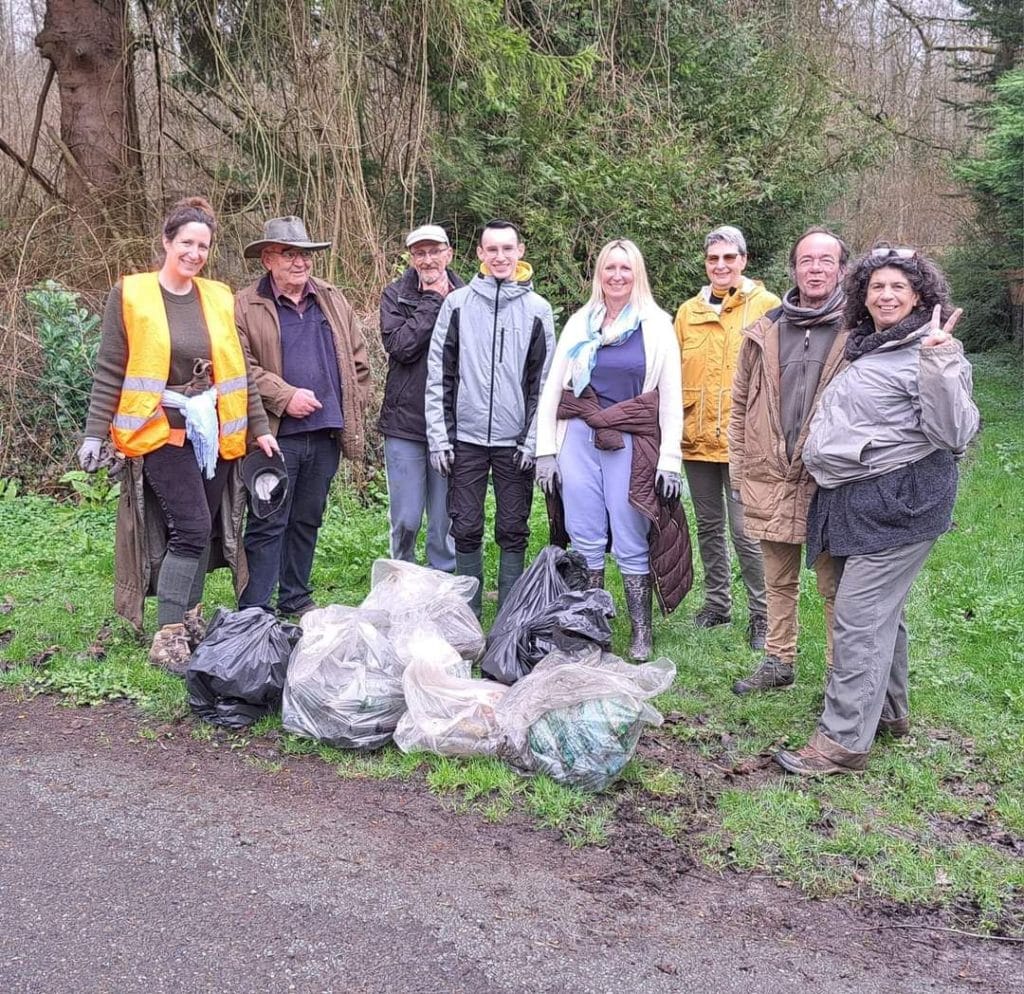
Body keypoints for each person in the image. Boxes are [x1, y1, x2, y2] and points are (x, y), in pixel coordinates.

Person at [776, 246, 979, 776]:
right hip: (859, 501)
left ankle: (842, 742)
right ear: (862, 298)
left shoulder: (931, 350)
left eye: (898, 288)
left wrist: (940, 359)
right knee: (879, 612)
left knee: (859, 619)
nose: (886, 296)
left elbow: (954, 432)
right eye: (876, 288)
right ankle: (886, 711)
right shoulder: (871, 347)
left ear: (919, 297)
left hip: (900, 502)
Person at [78, 196, 279, 671]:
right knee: (189, 528)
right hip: (160, 430)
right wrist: (93, 434)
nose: (194, 253)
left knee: (203, 531)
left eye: (203, 245)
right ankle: (168, 638)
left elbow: (241, 372)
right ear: (167, 242)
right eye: (186, 242)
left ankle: (189, 624)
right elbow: (111, 369)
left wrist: (260, 428)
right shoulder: (131, 295)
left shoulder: (218, 297)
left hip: (213, 433)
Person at [535, 239, 691, 661]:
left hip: (629, 439)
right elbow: (554, 387)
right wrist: (545, 450)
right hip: (578, 437)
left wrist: (670, 460)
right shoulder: (580, 322)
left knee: (629, 530)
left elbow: (670, 396)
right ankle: (592, 627)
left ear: (636, 273)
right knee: (584, 531)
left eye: (625, 268)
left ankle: (642, 632)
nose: (617, 276)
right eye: (609, 268)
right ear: (599, 274)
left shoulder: (656, 324)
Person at [728, 227, 849, 694]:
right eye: (806, 260)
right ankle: (779, 661)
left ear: (841, 269)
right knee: (778, 580)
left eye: (825, 260)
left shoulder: (855, 331)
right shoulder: (765, 330)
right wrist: (740, 469)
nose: (815, 269)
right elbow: (739, 406)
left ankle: (843, 677)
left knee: (834, 588)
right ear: (793, 268)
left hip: (827, 480)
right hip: (769, 475)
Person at [235, 215, 372, 618]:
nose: (300, 263)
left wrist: (352, 403)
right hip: (273, 435)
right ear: (268, 260)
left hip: (325, 433)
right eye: (289, 254)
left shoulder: (331, 298)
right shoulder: (245, 305)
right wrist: (285, 395)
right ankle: (255, 608)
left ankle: (295, 597)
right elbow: (239, 367)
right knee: (268, 518)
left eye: (305, 255)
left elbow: (359, 360)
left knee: (307, 518)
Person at [425, 219, 555, 618]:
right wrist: (439, 438)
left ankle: (509, 619)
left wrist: (532, 441)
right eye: (492, 249)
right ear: (480, 254)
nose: (500, 256)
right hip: (465, 439)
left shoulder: (538, 310)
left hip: (514, 442)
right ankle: (470, 615)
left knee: (513, 528)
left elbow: (544, 382)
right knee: (464, 527)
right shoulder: (457, 304)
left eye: (507, 249)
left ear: (520, 253)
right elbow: (439, 373)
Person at [673, 225, 778, 649]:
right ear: (706, 263)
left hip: (743, 441)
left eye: (729, 258)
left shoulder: (766, 306)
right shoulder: (687, 312)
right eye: (714, 259)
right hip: (696, 438)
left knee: (746, 531)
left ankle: (762, 615)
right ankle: (717, 604)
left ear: (743, 261)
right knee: (709, 527)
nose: (721, 266)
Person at [378, 224, 462, 572]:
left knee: (444, 522)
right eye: (420, 253)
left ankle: (443, 584)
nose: (428, 260)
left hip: (453, 422)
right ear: (411, 258)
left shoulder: (468, 296)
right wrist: (431, 302)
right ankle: (403, 579)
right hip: (405, 423)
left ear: (449, 253)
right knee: (407, 518)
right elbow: (401, 347)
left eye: (434, 251)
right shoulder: (395, 295)